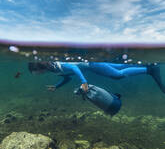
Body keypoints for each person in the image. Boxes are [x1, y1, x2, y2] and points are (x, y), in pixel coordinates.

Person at [28, 61, 165, 94]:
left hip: (93, 65)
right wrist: (57, 86)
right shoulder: (53, 70)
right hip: (93, 66)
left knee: (117, 75)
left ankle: (150, 69)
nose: (36, 75)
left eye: (35, 72)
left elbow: (74, 68)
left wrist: (84, 82)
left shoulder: (58, 64)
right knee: (119, 67)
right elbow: (67, 78)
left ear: (38, 68)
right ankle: (148, 66)